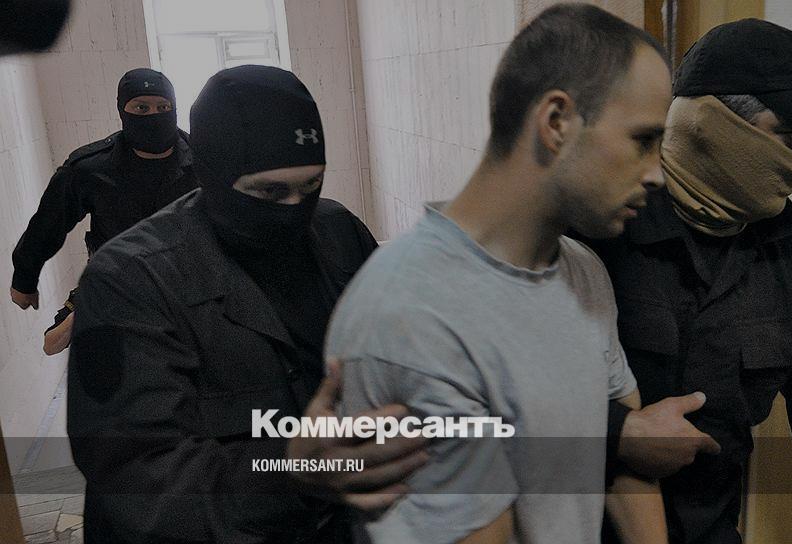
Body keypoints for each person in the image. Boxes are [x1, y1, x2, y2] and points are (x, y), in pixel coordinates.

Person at [327, 5, 673, 543]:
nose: (657, 174)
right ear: (557, 122)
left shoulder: (582, 272)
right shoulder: (410, 315)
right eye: (643, 141)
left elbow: (621, 457)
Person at [67, 65, 427, 543]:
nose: (294, 208)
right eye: (269, 192)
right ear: (212, 176)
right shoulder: (131, 280)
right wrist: (288, 471)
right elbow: (140, 483)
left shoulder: (338, 234)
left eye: (311, 186)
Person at [594, 19, 792, 544]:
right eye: (791, 136)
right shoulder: (594, 234)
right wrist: (618, 434)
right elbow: (492, 410)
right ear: (710, 125)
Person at [10, 68, 198, 354]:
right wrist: (24, 278)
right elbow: (49, 222)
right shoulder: (92, 168)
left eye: (163, 107)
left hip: (190, 288)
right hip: (118, 286)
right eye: (141, 108)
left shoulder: (204, 161)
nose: (154, 115)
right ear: (123, 111)